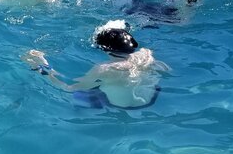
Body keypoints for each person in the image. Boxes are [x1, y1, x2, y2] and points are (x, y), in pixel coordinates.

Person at [22, 20, 168, 109]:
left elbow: (67, 88)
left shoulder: (104, 69)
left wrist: (41, 66)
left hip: (121, 107)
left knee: (76, 96)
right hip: (148, 101)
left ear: (103, 49)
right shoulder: (146, 55)